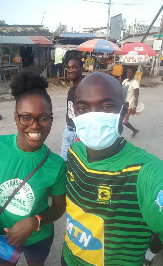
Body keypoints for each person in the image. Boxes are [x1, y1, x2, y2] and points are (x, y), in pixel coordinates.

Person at [62, 72, 163, 266]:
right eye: (83, 108)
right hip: (68, 257)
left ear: (123, 111)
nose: (93, 117)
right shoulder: (75, 151)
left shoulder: (147, 172)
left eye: (106, 107)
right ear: (74, 112)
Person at [0, 71, 66, 265]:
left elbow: (59, 207)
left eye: (44, 118)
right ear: (15, 117)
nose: (35, 126)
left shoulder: (56, 165)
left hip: (38, 237)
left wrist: (34, 222)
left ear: (51, 119)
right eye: (26, 118)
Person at [60, 58, 83, 161]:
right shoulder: (72, 89)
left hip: (79, 133)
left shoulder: (84, 89)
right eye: (69, 68)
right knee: (63, 162)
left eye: (74, 67)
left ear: (81, 69)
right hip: (68, 130)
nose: (70, 70)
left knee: (77, 164)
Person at [122, 66, 139, 137]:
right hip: (122, 103)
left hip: (129, 105)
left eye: (129, 72)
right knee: (119, 119)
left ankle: (135, 130)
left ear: (134, 73)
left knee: (124, 122)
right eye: (127, 72)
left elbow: (136, 97)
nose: (127, 73)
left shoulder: (135, 83)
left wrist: (134, 107)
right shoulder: (125, 81)